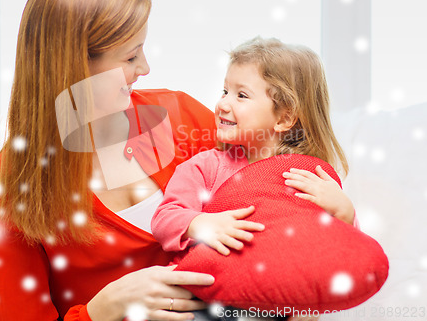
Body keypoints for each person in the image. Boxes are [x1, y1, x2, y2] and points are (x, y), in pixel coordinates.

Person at [0, 0, 220, 321]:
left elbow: (271, 203)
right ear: (75, 67)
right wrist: (101, 309)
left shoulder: (182, 117)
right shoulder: (8, 186)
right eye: (130, 56)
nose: (146, 67)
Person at [151, 36, 356, 261]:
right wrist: (200, 223)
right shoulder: (205, 167)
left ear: (284, 118)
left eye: (241, 95)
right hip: (212, 286)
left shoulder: (309, 178)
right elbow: (164, 220)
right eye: (224, 91)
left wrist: (345, 212)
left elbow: (342, 251)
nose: (222, 104)